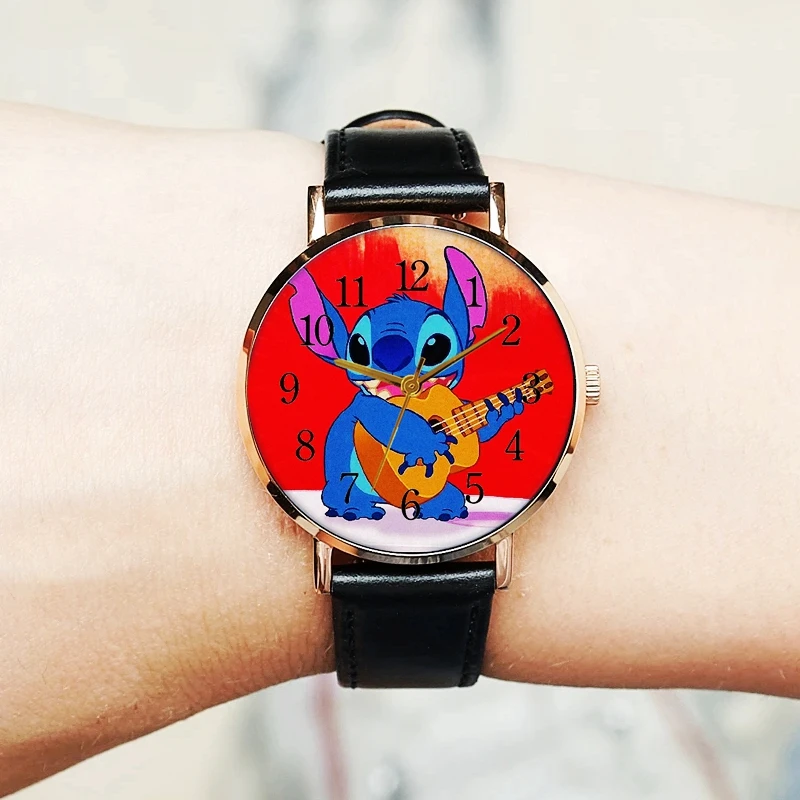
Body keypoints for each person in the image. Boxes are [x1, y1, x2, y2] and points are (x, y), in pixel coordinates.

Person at [1, 101, 798, 797]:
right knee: (357, 455)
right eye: (374, 356)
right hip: (361, 486)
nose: (404, 376)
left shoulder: (453, 395)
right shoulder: (363, 395)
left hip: (434, 492)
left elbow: (478, 429)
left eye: (431, 353)